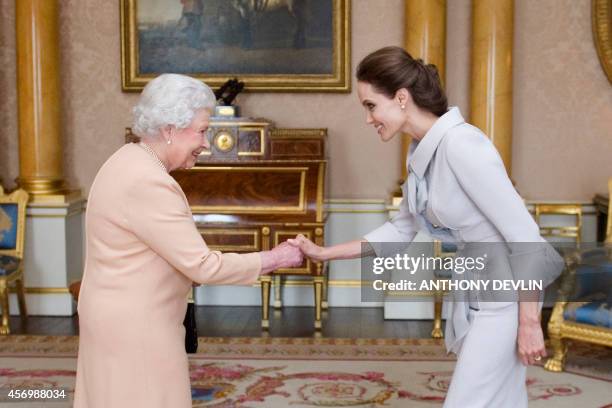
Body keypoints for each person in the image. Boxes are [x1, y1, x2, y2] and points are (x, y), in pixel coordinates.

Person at [288, 46, 563, 407]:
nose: (368, 119)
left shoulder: (462, 144)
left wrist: (529, 321)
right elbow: (401, 230)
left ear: (401, 98)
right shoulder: (421, 151)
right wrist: (325, 254)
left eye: (370, 105)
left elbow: (525, 235)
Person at [74, 73, 302, 408]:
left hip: (115, 319)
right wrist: (275, 258)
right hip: (136, 329)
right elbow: (203, 265)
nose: (207, 143)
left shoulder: (125, 160)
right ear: (169, 129)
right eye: (201, 130)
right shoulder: (148, 181)